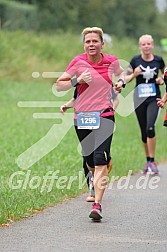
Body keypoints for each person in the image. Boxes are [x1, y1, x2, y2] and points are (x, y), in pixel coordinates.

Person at [56, 26, 125, 220]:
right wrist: (77, 80)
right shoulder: (78, 62)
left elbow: (121, 74)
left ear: (102, 44)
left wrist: (121, 84)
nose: (91, 44)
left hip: (104, 114)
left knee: (99, 158)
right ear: (84, 44)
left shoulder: (111, 61)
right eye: (88, 41)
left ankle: (97, 205)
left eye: (95, 41)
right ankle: (94, 177)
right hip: (82, 117)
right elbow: (59, 85)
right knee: (88, 160)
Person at [60, 88, 119, 202]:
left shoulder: (103, 80)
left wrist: (112, 111)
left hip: (102, 120)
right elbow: (75, 99)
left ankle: (96, 193)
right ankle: (92, 183)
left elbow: (115, 100)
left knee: (99, 156)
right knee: (87, 156)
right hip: (84, 121)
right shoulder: (81, 80)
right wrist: (66, 105)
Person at [125, 34, 165, 174]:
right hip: (139, 98)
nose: (146, 46)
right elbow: (126, 78)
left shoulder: (159, 60)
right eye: (144, 44)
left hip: (154, 98)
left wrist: (161, 80)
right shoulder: (135, 60)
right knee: (143, 131)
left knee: (150, 128)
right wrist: (134, 75)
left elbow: (164, 75)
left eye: (149, 44)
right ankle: (147, 160)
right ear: (140, 46)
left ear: (152, 45)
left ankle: (153, 161)